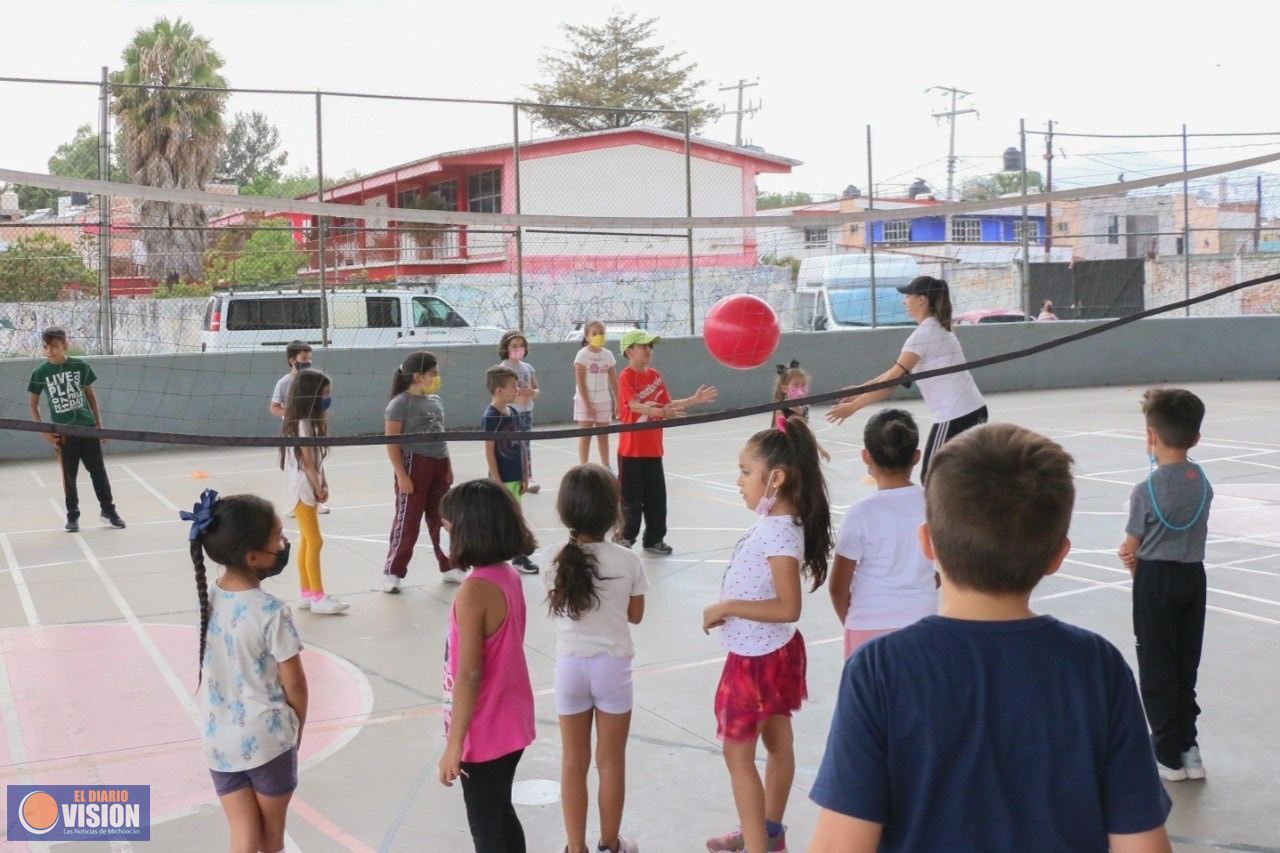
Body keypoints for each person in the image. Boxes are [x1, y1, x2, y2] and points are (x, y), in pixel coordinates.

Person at [809, 424, 1173, 852]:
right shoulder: (1097, 666)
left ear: (927, 542)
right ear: (1058, 556)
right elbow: (1142, 845)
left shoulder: (879, 670)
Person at [702, 416, 831, 853]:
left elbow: (788, 607)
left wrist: (727, 607)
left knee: (738, 757)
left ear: (775, 478)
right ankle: (767, 833)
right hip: (770, 651)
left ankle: (757, 844)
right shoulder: (778, 522)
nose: (739, 481)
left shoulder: (778, 533)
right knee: (777, 744)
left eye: (744, 472)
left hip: (756, 662)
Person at [182, 489, 307, 853]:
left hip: (219, 742)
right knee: (271, 840)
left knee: (243, 838)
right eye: (278, 538)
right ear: (253, 557)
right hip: (268, 740)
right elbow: (295, 682)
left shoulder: (209, 598)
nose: (284, 543)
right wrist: (297, 725)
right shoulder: (271, 611)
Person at [545, 464, 647, 853]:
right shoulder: (627, 560)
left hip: (570, 666)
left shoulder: (555, 559)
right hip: (613, 668)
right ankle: (610, 843)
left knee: (573, 761)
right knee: (611, 762)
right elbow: (635, 616)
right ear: (613, 510)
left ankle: (575, 847)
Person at [1118, 388, 1213, 782]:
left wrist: (1128, 557)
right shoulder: (1202, 482)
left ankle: (1167, 756)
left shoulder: (1146, 490)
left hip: (1155, 581)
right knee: (1184, 664)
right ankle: (1190, 748)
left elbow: (1131, 546)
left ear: (1150, 436)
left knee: (1156, 666)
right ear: (1195, 439)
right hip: (1193, 578)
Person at [437, 480, 537, 853]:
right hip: (511, 717)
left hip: (486, 727)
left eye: (449, 525)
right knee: (499, 810)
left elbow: (469, 674)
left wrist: (454, 743)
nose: (445, 530)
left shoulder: (475, 590)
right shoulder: (505, 574)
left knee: (485, 822)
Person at [827, 276, 988, 482]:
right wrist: (859, 390)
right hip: (972, 410)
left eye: (908, 296)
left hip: (956, 415)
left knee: (932, 479)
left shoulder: (923, 335)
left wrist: (853, 407)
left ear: (921, 300)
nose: (904, 301)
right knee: (957, 478)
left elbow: (889, 384)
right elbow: (892, 373)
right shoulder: (937, 330)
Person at [829, 409, 936, 658]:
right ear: (916, 457)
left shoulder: (860, 514)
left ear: (866, 456)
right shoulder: (933, 504)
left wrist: (854, 623)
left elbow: (838, 587)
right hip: (923, 622)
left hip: (868, 626)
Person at [615, 329, 718, 555]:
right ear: (629, 350)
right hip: (631, 451)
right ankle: (625, 537)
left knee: (657, 499)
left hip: (653, 450)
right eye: (643, 346)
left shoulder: (655, 376)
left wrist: (694, 400)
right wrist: (659, 412)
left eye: (650, 347)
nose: (648, 351)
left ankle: (653, 539)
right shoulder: (626, 376)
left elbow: (668, 404)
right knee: (631, 500)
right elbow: (632, 405)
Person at [27, 326, 126, 533]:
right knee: (68, 476)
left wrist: (99, 425)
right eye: (46, 347)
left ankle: (108, 510)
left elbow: (90, 396)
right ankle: (72, 516)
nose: (50, 351)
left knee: (98, 472)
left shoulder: (80, 366)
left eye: (55, 346)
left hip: (87, 428)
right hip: (63, 433)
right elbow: (33, 405)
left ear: (65, 345)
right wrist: (44, 431)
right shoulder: (40, 372)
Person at [383, 351, 458, 588]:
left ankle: (449, 565)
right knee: (409, 521)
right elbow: (391, 441)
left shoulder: (435, 400)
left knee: (443, 517)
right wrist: (402, 475)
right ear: (417, 376)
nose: (437, 377)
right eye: (433, 373)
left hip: (439, 463)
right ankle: (393, 572)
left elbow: (440, 436)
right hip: (414, 464)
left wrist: (448, 465)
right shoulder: (399, 403)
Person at [280, 369, 348, 614]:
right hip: (301, 487)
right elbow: (307, 461)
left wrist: (323, 481)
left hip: (306, 484)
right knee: (315, 540)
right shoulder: (301, 424)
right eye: (325, 394)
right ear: (311, 395)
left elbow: (316, 459)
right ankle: (318, 597)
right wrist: (318, 486)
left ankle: (306, 593)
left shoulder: (306, 421)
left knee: (307, 540)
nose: (328, 398)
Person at [482, 365, 540, 575]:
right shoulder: (491, 416)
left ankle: (514, 555)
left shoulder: (514, 411)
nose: (518, 389)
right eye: (513, 386)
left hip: (516, 476)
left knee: (514, 514)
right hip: (502, 477)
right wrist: (496, 477)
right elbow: (489, 449)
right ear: (499, 391)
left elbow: (522, 446)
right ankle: (514, 555)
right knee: (505, 516)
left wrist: (525, 475)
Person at [270, 340, 329, 515]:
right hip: (294, 430)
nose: (308, 361)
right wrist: (294, 412)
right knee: (296, 465)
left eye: (310, 357)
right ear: (292, 360)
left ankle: (317, 501)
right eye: (304, 358)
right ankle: (296, 503)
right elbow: (274, 407)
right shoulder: (284, 382)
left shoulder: (312, 380)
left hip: (311, 426)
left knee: (315, 460)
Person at [573, 321, 620, 467]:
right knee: (585, 436)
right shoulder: (582, 355)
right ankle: (583, 467)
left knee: (603, 436)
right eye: (594, 333)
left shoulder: (608, 355)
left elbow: (613, 380)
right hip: (584, 400)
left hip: (603, 400)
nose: (598, 336)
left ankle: (606, 466)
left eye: (601, 333)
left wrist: (618, 401)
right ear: (587, 336)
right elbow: (580, 382)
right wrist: (587, 404)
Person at [499, 330, 541, 493]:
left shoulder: (528, 368)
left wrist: (531, 392)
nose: (518, 348)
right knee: (510, 446)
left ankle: (528, 477)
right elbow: (500, 393)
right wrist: (515, 396)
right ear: (506, 348)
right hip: (510, 413)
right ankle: (510, 478)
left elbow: (536, 390)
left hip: (526, 413)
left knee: (526, 445)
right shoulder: (502, 368)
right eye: (514, 346)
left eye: (521, 345)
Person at [770, 360, 830, 462]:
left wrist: (820, 449)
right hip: (787, 453)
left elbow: (806, 432)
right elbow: (778, 432)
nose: (800, 389)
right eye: (796, 385)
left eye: (803, 385)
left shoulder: (805, 407)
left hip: (803, 451)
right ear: (784, 389)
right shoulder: (781, 409)